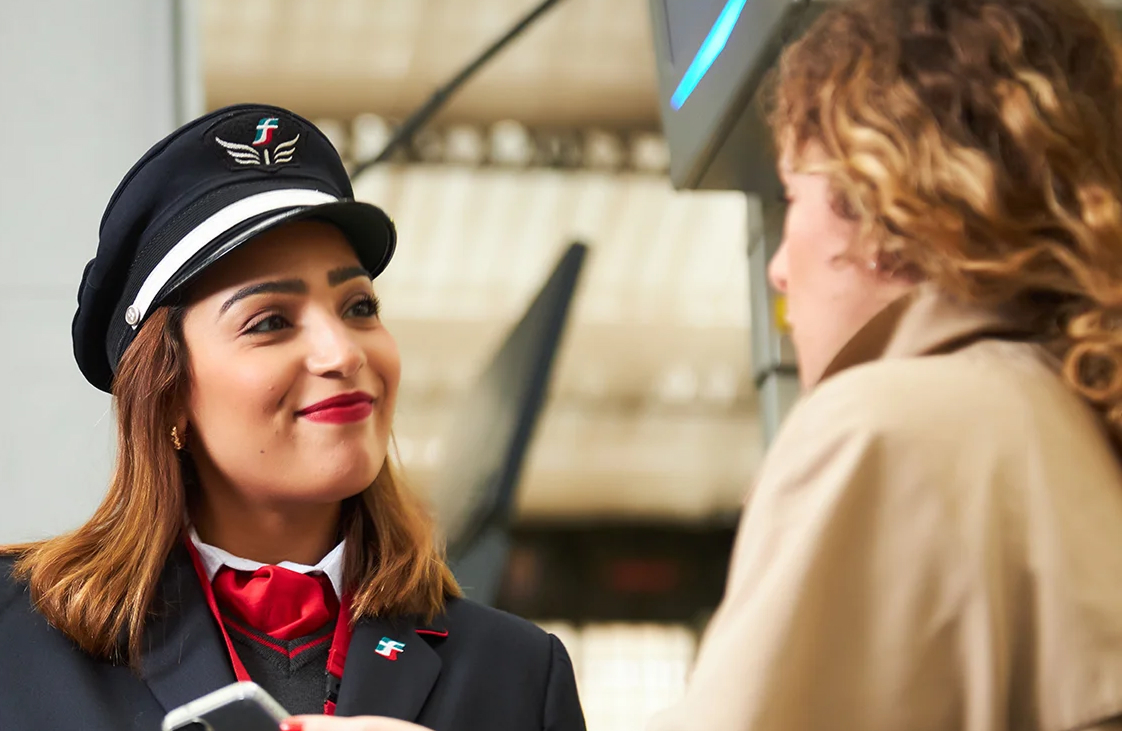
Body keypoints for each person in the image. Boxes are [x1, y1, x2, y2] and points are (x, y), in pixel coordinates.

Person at [0, 104, 585, 731]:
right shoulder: (15, 637)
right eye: (271, 321)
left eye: (359, 306)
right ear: (167, 396)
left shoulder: (518, 672)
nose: (344, 352)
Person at [651, 0, 1122, 729]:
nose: (777, 268)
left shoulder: (880, 429)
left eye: (791, 196)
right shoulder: (1077, 418)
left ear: (886, 200)